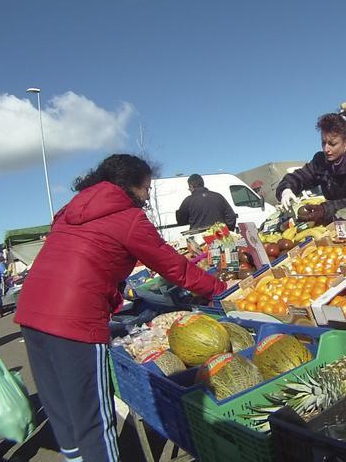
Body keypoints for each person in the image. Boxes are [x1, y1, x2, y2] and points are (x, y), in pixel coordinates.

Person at [15, 154, 226, 462]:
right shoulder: (128, 217)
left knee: (62, 412)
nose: (147, 196)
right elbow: (173, 266)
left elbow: (85, 260)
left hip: (31, 314)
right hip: (75, 321)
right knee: (95, 421)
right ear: (130, 185)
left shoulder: (69, 211)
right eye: (146, 188)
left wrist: (112, 292)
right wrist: (218, 289)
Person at [277, 108, 346, 224]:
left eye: (332, 144)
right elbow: (300, 176)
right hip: (336, 220)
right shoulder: (320, 161)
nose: (326, 149)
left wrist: (324, 210)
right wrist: (286, 189)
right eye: (323, 143)